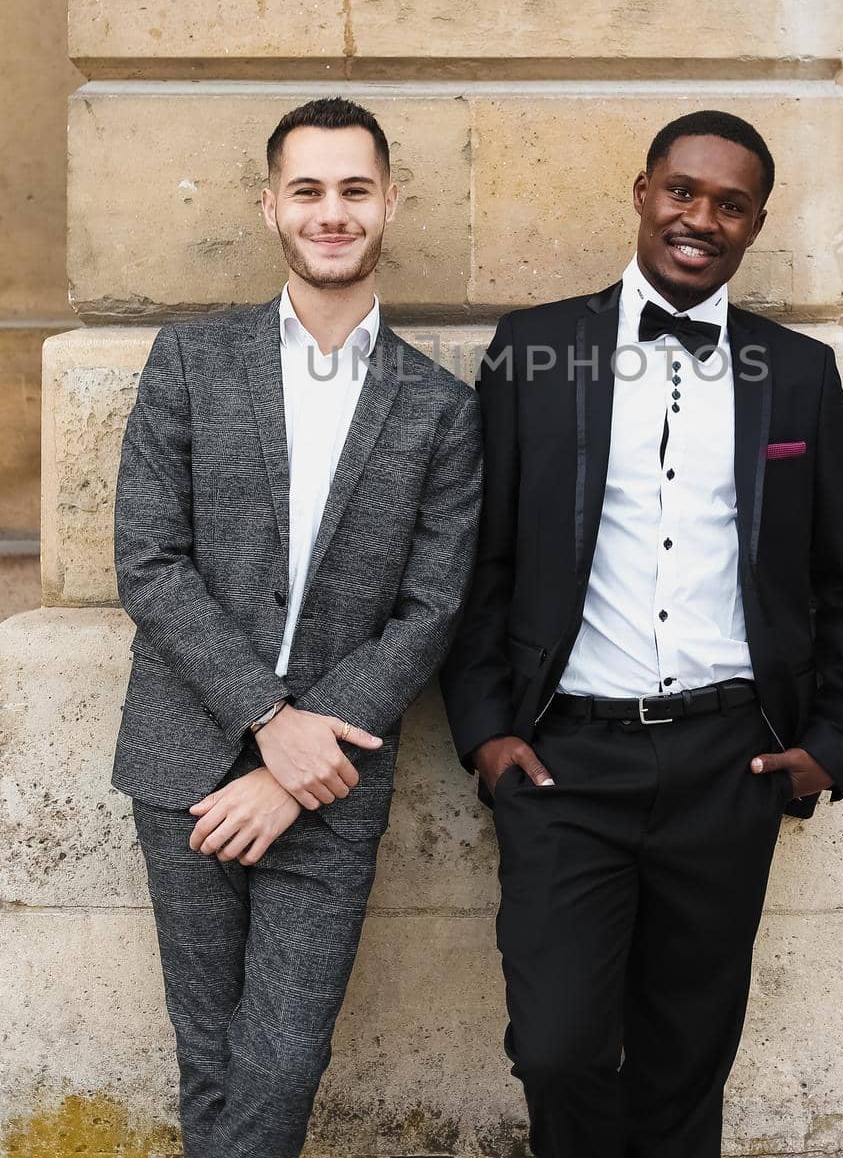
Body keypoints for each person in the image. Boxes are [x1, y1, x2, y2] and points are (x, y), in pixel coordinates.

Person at [440, 109, 843, 1158]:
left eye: (729, 204)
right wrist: (487, 736)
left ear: (756, 223)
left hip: (725, 759)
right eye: (682, 191)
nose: (701, 218)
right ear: (641, 191)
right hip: (565, 761)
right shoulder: (534, 349)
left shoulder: (798, 373)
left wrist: (828, 745)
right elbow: (481, 563)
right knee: (556, 1047)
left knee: (685, 1059)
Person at [112, 96, 482, 1158]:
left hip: (330, 778)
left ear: (388, 204)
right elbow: (149, 561)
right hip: (181, 753)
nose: (332, 212)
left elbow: (432, 605)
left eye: (354, 190)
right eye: (309, 190)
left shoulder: (439, 409)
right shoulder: (190, 365)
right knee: (211, 1055)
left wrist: (295, 753)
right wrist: (264, 717)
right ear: (270, 205)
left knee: (280, 1059)